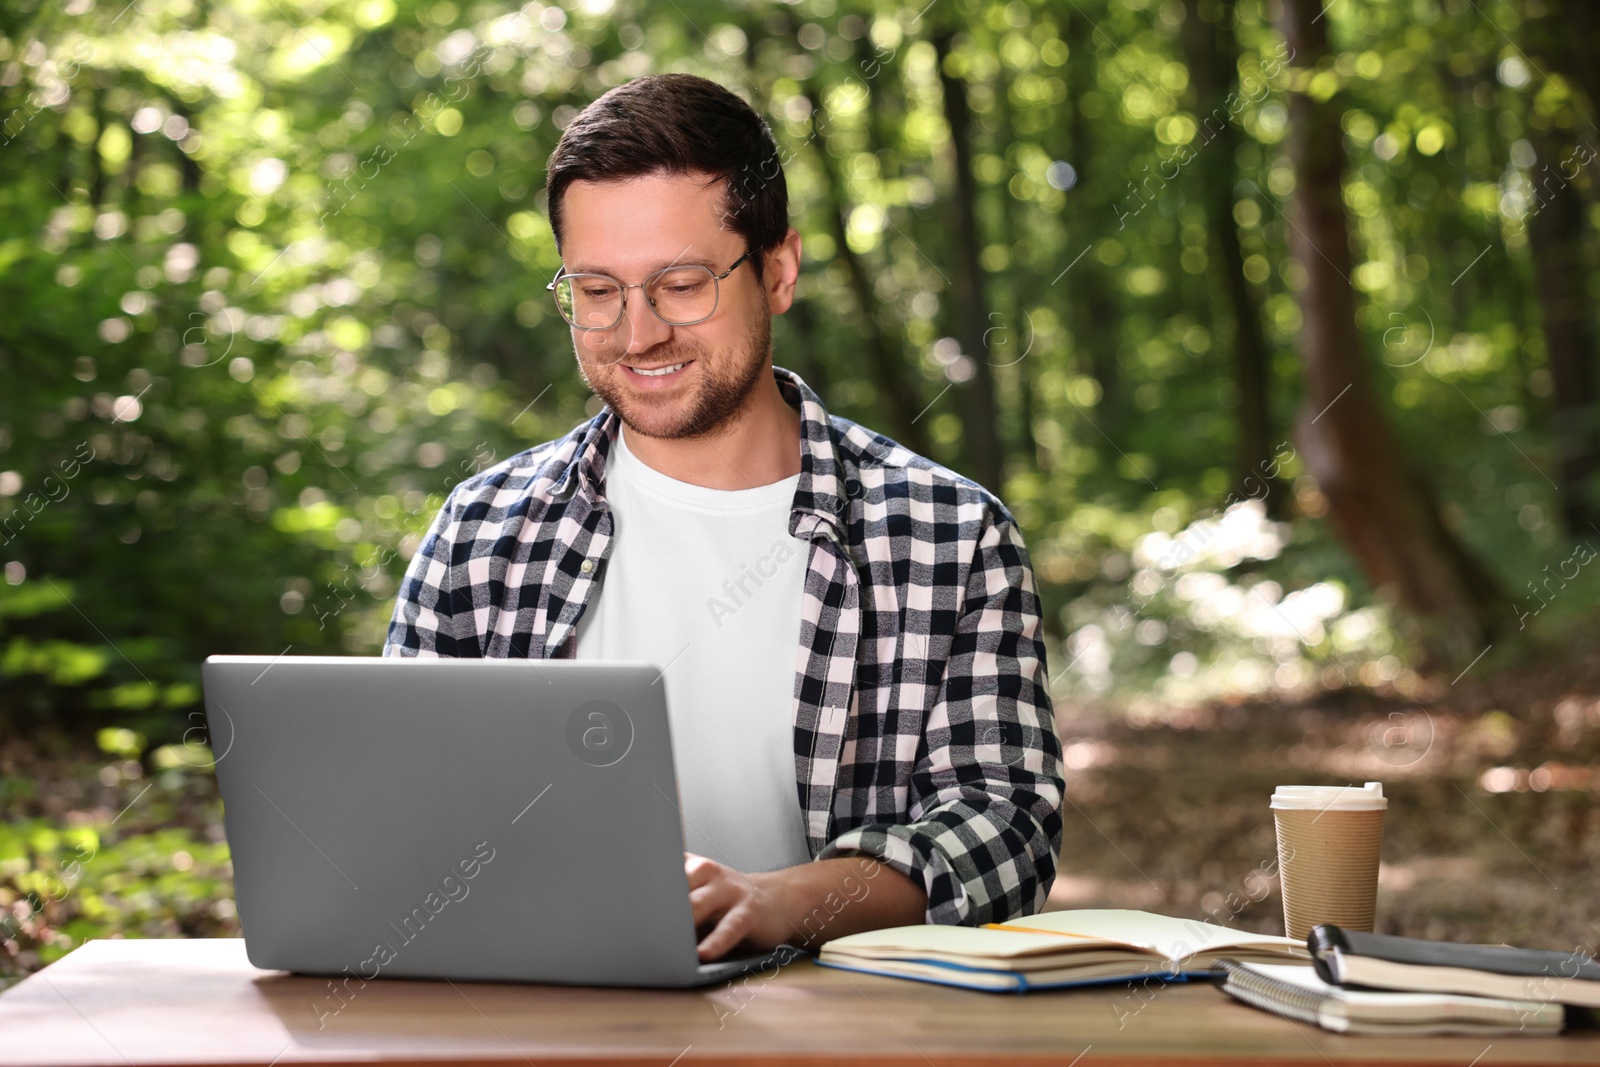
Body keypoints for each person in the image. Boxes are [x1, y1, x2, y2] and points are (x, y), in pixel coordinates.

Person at [384, 73, 1063, 962]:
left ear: (777, 272)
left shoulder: (949, 532)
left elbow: (1003, 827)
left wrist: (778, 901)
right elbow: (399, 816)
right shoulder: (480, 535)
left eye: (681, 283)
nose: (637, 335)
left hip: (843, 1038)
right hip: (545, 1023)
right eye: (597, 291)